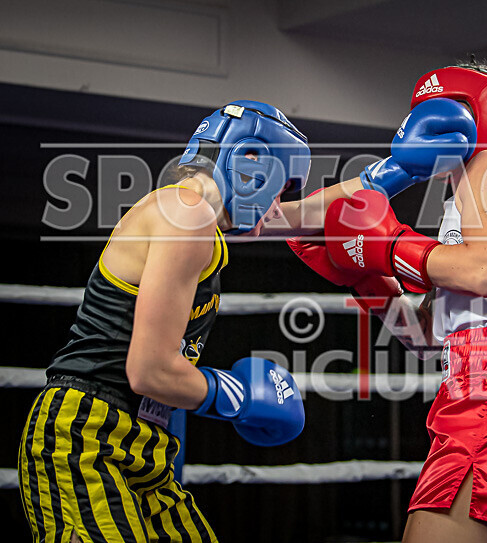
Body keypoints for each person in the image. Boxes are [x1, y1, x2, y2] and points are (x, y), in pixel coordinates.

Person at [279, 62, 487, 543]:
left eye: (446, 109)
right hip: (476, 387)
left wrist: (388, 246)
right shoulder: (458, 199)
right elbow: (428, 338)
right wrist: (369, 280)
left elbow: (483, 272)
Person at [18, 100, 307, 543]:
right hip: (85, 438)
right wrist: (238, 396)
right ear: (253, 162)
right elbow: (149, 371)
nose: (276, 208)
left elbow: (301, 217)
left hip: (145, 449)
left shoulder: (195, 221)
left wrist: (389, 175)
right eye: (279, 189)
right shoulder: (186, 216)